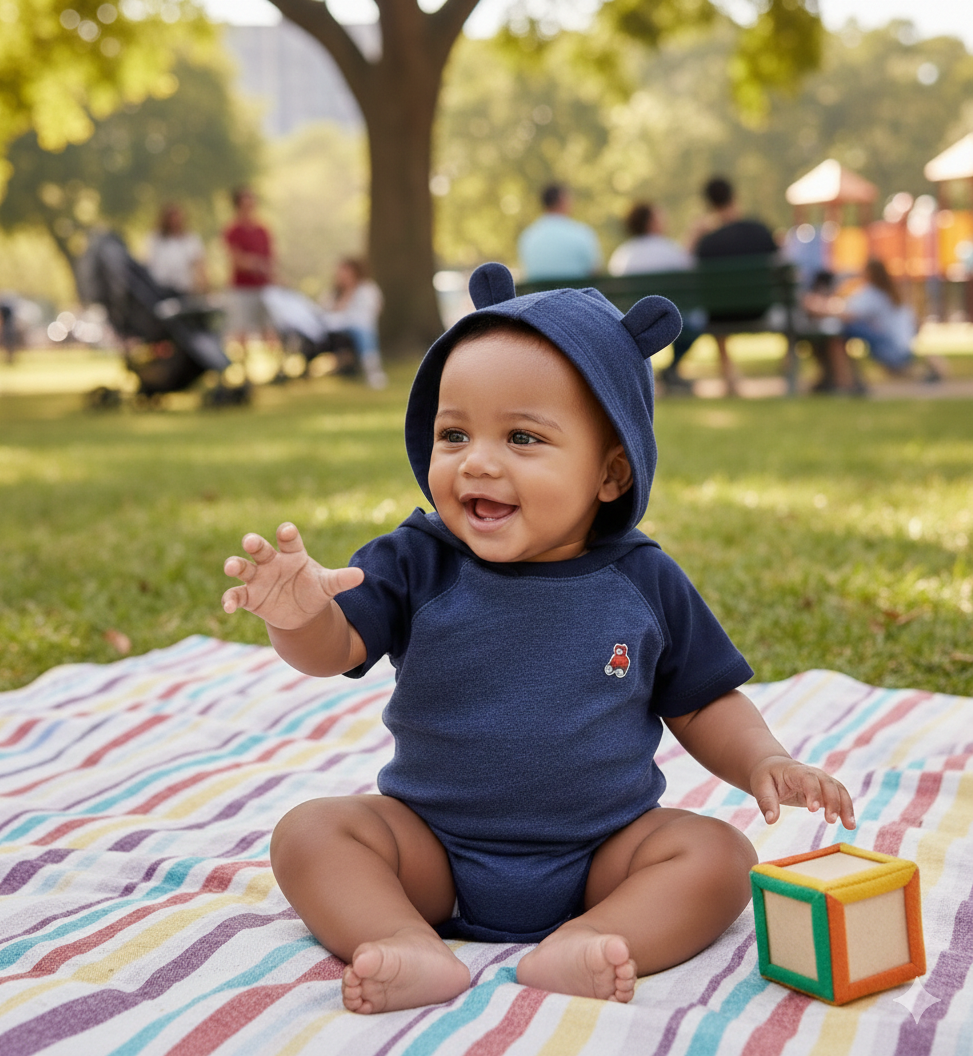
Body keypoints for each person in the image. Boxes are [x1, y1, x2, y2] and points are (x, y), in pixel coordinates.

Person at [222, 262, 855, 1015]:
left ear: (611, 473)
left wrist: (763, 759)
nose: (477, 461)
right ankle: (403, 940)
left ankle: (593, 939)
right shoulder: (418, 559)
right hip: (432, 852)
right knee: (310, 832)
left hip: (603, 858)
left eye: (522, 437)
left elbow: (702, 700)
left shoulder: (644, 581)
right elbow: (337, 648)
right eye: (453, 433)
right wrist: (298, 618)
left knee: (719, 856)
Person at [691, 177, 779, 396]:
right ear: (735, 197)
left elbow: (689, 271)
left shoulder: (706, 243)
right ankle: (789, 369)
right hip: (761, 309)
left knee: (715, 309)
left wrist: (693, 236)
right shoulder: (760, 230)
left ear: (709, 205)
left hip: (721, 316)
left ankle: (729, 378)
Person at [609, 202, 701, 394]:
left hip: (631, 322)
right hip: (672, 319)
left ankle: (657, 375)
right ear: (651, 222)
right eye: (660, 216)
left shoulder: (623, 255)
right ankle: (672, 369)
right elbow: (690, 269)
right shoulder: (668, 249)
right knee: (698, 319)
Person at [803, 259, 942, 384]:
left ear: (869, 273)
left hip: (892, 350)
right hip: (904, 349)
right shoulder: (890, 294)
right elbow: (915, 324)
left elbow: (847, 315)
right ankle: (844, 378)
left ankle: (844, 379)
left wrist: (815, 307)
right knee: (854, 327)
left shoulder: (872, 294)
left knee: (848, 328)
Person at [223, 187, 275, 360]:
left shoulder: (263, 230)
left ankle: (275, 364)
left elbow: (271, 259)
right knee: (241, 330)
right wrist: (255, 264)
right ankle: (242, 366)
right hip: (241, 288)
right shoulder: (233, 230)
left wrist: (268, 272)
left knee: (269, 328)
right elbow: (236, 259)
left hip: (263, 287)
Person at [324, 257, 387, 390]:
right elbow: (326, 311)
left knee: (363, 331)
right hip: (335, 328)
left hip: (360, 326)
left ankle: (372, 370)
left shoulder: (367, 289)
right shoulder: (334, 293)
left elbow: (373, 310)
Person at [518, 183, 602, 281]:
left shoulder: (527, 237)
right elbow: (595, 272)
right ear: (562, 200)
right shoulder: (582, 233)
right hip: (576, 290)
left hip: (540, 291)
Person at [145, 204, 208, 296]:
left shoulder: (190, 239)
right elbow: (147, 262)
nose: (175, 223)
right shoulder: (155, 239)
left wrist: (204, 287)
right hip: (159, 289)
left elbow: (200, 264)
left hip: (184, 289)